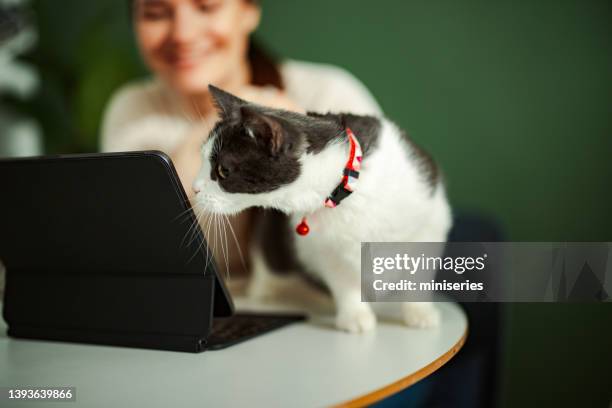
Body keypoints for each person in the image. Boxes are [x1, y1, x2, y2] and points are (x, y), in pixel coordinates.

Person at [100, 0, 382, 276]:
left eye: (206, 7)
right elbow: (131, 260)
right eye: (155, 13)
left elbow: (401, 270)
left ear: (249, 10)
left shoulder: (329, 97)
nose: (182, 33)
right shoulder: (134, 111)